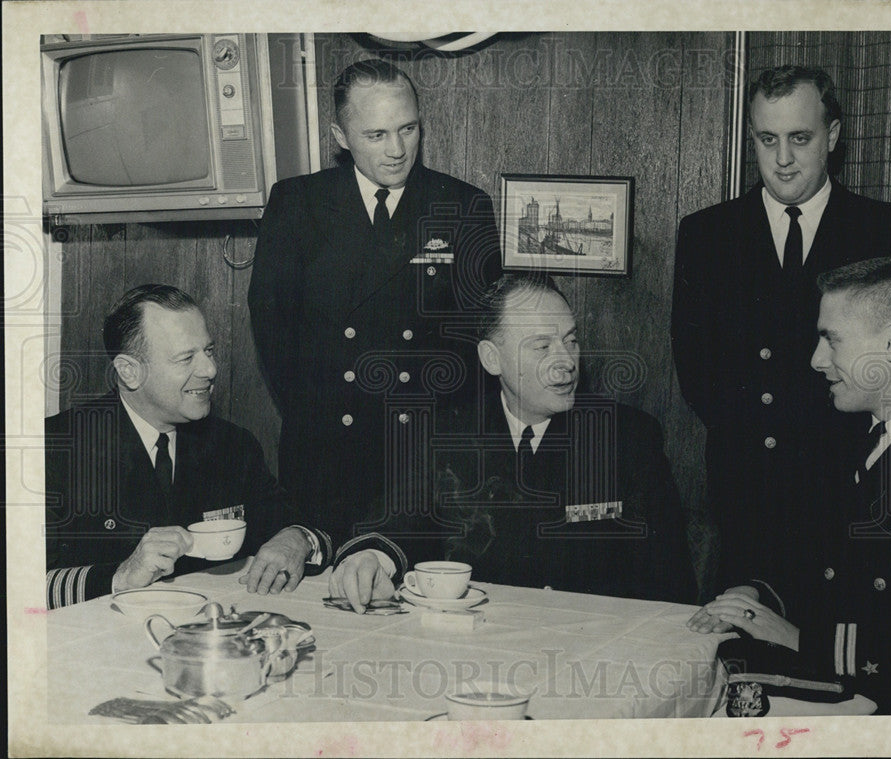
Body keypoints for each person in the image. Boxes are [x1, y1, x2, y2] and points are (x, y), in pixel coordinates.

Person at [670, 64, 891, 590]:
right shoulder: (707, 234)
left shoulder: (889, 230)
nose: (782, 159)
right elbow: (696, 369)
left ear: (832, 136)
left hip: (855, 490)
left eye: (800, 138)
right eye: (766, 139)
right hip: (749, 495)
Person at [687, 258, 891, 714]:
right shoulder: (852, 432)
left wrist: (796, 637)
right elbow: (818, 558)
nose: (816, 360)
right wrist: (756, 594)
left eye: (832, 339)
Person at [328, 274, 697, 610]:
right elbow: (395, 520)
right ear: (492, 359)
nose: (566, 360)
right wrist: (373, 557)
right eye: (542, 346)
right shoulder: (447, 434)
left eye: (571, 340)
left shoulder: (626, 436)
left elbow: (669, 583)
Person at [248, 58, 502, 536]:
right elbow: (272, 329)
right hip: (326, 454)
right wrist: (317, 412)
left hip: (423, 458)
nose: (398, 150)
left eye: (408, 129)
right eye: (377, 135)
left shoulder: (463, 206)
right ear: (341, 136)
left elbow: (480, 340)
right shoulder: (297, 203)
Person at [45, 285, 336, 609]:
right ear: (129, 371)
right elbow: (18, 587)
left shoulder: (232, 446)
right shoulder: (54, 449)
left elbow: (300, 527)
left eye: (208, 351)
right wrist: (120, 576)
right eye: (186, 358)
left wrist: (297, 539)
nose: (209, 370)